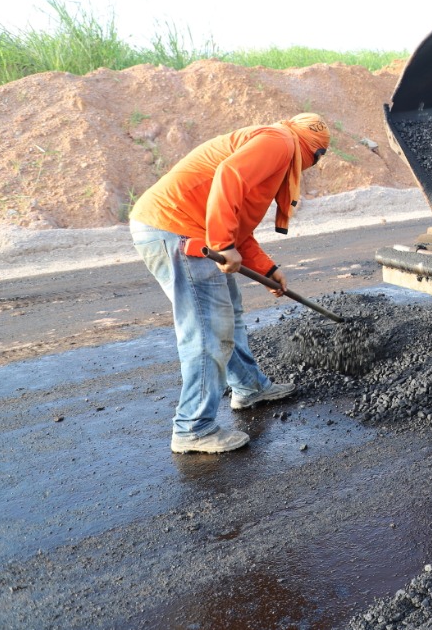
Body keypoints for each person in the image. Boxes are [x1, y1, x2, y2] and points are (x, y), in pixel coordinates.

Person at [129, 113, 331, 453]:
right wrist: (222, 244)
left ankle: (250, 387)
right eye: (316, 160)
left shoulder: (273, 146)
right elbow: (230, 176)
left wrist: (268, 270)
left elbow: (239, 224)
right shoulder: (280, 141)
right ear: (313, 152)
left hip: (184, 226)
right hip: (177, 228)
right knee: (209, 330)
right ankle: (194, 427)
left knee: (229, 317)